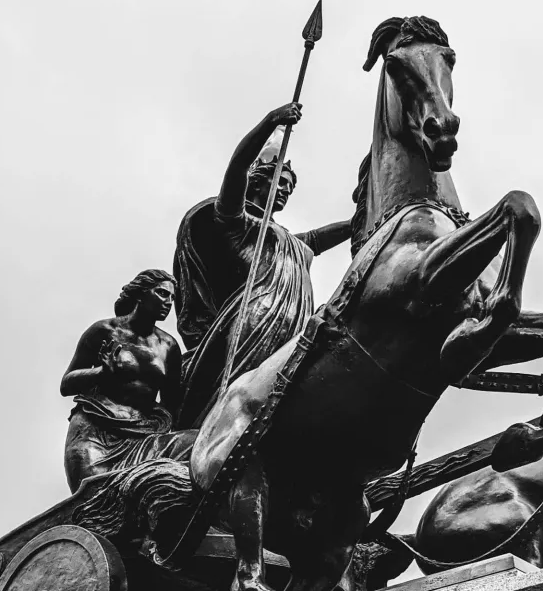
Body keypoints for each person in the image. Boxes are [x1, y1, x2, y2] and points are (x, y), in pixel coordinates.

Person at [173, 102, 352, 428]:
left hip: (293, 331)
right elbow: (237, 167)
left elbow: (314, 240)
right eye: (280, 183)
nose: (285, 191)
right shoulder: (236, 222)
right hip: (251, 329)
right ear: (259, 181)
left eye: (290, 187)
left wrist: (364, 219)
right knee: (239, 405)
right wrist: (271, 121)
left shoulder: (285, 238)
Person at [61, 269, 198, 493]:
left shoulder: (169, 347)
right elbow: (66, 384)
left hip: (146, 434)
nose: (169, 302)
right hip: (96, 432)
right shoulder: (103, 331)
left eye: (172, 298)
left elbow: (173, 403)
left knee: (200, 445)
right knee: (95, 497)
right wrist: (100, 375)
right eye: (162, 293)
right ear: (141, 294)